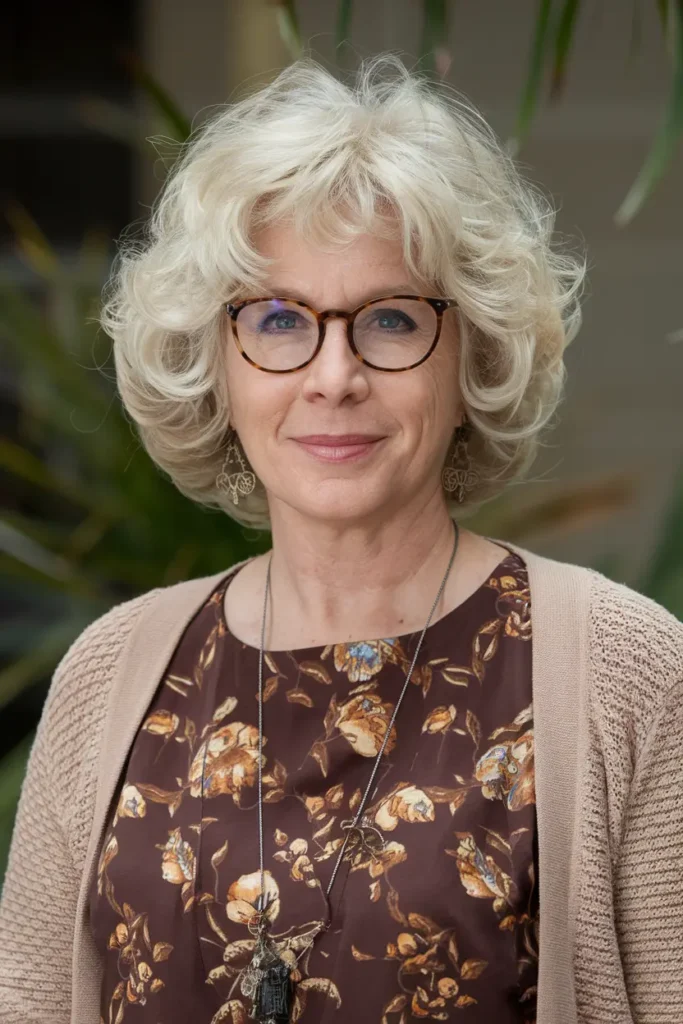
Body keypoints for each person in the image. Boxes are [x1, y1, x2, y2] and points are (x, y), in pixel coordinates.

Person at [1, 54, 681, 1024]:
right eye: (278, 320)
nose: (332, 375)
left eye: (390, 318)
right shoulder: (109, 675)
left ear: (473, 355)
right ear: (216, 363)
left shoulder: (626, 670)